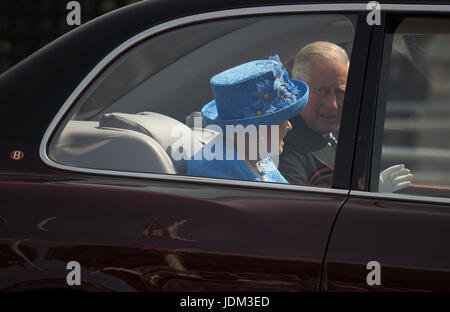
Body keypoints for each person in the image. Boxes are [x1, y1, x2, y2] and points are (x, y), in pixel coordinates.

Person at [279, 41, 412, 192]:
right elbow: (300, 210)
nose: (333, 104)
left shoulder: (340, 136)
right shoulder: (286, 147)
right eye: (322, 90)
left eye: (339, 91)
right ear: (298, 90)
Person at [187, 55, 309, 183]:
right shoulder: (216, 173)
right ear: (255, 128)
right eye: (280, 120)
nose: (289, 126)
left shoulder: (257, 157)